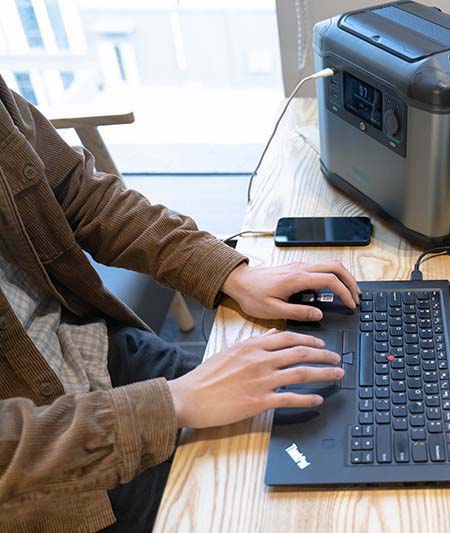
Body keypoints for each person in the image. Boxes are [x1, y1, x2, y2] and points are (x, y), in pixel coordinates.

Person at [0, 74, 358, 532]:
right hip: (50, 480)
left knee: (316, 415)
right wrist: (172, 403)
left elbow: (78, 192)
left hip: (90, 347)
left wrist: (231, 272)